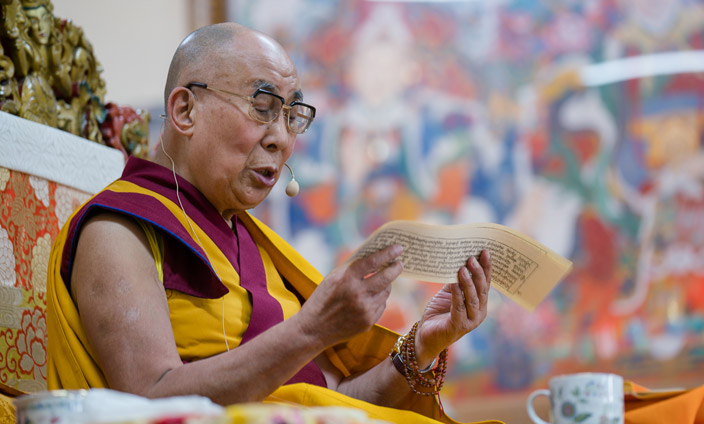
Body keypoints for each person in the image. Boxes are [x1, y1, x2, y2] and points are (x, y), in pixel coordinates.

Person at [46, 22, 499, 424]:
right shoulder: (120, 229)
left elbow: (331, 400)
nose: (282, 139)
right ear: (185, 111)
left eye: (291, 116)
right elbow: (150, 400)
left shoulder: (257, 247)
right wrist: (311, 329)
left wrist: (423, 343)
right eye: (262, 107)